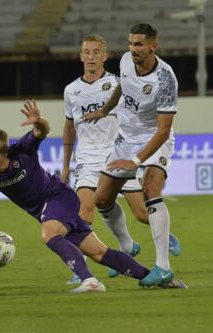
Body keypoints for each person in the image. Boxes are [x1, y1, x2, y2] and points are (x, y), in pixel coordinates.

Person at [0, 99, 181, 293]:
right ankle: (156, 278)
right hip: (49, 208)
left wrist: (39, 121)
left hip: (59, 198)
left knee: (49, 234)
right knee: (99, 252)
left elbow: (41, 131)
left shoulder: (22, 151)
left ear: (5, 151)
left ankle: (89, 281)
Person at [62, 35, 180, 284]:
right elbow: (68, 127)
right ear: (81, 55)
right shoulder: (71, 90)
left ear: (105, 56)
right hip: (87, 157)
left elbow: (136, 111)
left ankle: (149, 238)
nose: (91, 56)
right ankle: (82, 268)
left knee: (140, 211)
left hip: (116, 152)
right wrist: (65, 165)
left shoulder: (119, 80)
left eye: (96, 52)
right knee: (86, 206)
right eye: (87, 52)